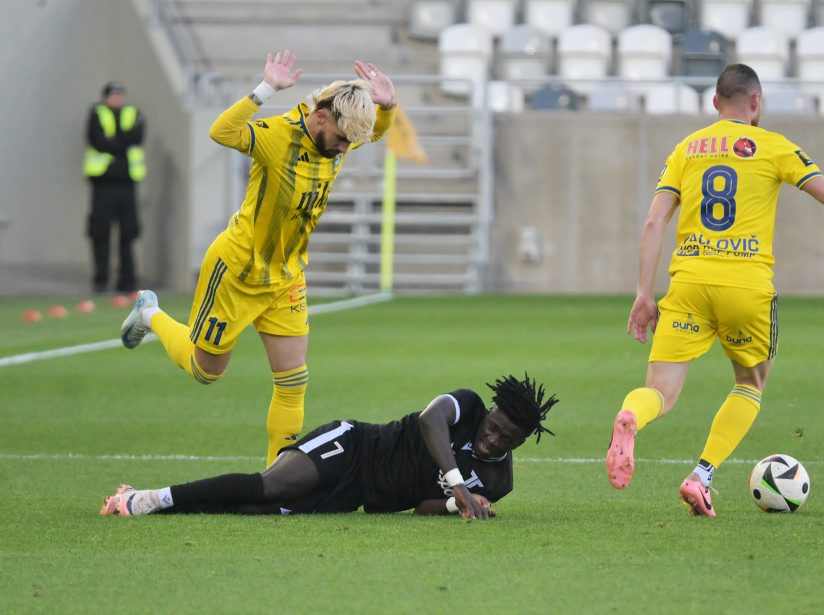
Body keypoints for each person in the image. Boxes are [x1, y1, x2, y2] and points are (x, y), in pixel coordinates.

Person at [605, 64, 824, 517]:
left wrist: (643, 293)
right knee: (750, 385)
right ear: (756, 103)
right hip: (746, 286)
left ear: (715, 103)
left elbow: (654, 221)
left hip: (689, 283)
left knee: (659, 391)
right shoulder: (774, 146)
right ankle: (701, 475)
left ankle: (631, 418)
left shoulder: (686, 148)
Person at [118, 51, 397, 466]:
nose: (344, 149)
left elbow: (370, 133)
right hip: (237, 272)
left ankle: (277, 481)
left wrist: (387, 107)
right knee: (205, 371)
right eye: (341, 140)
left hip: (285, 277)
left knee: (293, 380)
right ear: (321, 117)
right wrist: (265, 89)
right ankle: (149, 313)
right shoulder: (276, 136)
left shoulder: (339, 137)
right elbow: (221, 132)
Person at [100, 374, 558, 520]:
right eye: (493, 426)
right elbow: (429, 419)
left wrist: (462, 505)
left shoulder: (499, 481)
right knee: (272, 486)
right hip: (355, 446)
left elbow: (422, 507)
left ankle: (152, 505)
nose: (490, 436)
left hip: (360, 496)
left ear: (519, 443)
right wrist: (458, 483)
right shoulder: (468, 406)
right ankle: (148, 499)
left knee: (253, 511)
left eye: (504, 437)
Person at [83, 81, 146, 293]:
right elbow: (97, 141)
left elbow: (136, 137)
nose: (117, 98)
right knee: (100, 233)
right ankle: (101, 280)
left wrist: (114, 141)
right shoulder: (97, 113)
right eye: (113, 95)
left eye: (120, 94)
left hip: (127, 186)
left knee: (128, 233)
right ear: (106, 97)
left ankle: (127, 281)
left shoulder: (133, 113)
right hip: (103, 184)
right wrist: (121, 141)